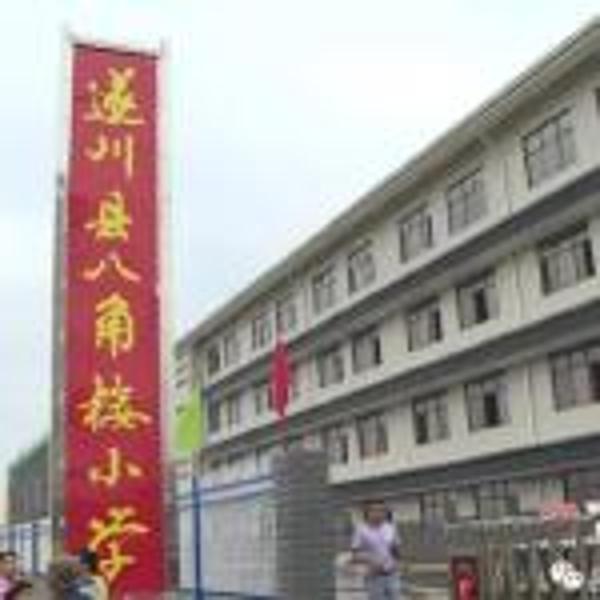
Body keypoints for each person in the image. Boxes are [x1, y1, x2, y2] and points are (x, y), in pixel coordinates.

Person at [351, 499, 402, 600]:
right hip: (373, 577)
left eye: (381, 510)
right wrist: (370, 558)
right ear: (367, 512)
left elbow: (395, 549)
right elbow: (355, 555)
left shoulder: (390, 528)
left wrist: (398, 563)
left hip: (392, 575)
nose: (378, 514)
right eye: (374, 510)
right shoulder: (361, 530)